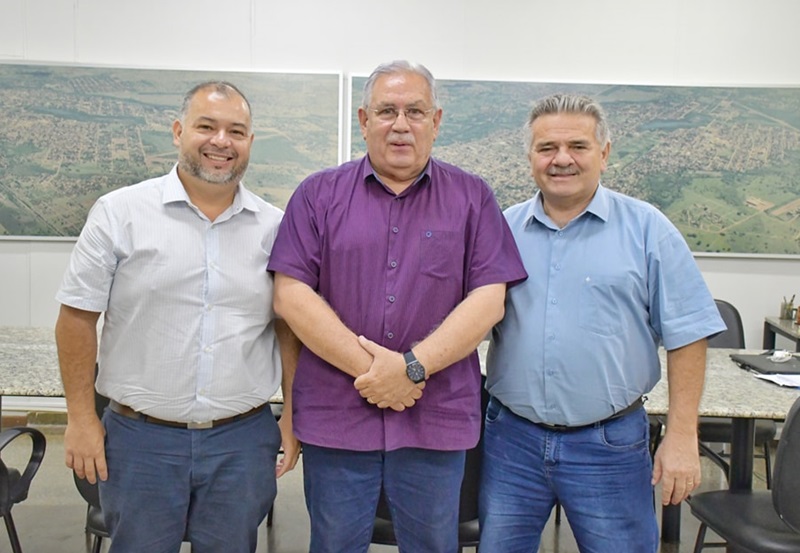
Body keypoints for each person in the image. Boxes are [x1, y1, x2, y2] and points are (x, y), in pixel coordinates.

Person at [268, 60, 527, 553]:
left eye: (415, 111)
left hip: (435, 418)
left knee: (432, 545)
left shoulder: (473, 198)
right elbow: (291, 297)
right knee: (334, 544)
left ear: (437, 120)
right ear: (364, 121)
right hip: (336, 416)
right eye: (387, 111)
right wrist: (378, 372)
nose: (401, 123)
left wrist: (411, 367)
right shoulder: (317, 195)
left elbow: (490, 299)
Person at [54, 81, 300, 553]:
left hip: (242, 442)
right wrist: (81, 417)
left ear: (250, 141)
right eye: (206, 126)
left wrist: (292, 412)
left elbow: (288, 326)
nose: (221, 142)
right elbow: (76, 318)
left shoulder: (276, 227)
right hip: (139, 442)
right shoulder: (119, 213)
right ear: (177, 131)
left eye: (236, 131)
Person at [479, 93, 727, 552]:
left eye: (578, 146)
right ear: (531, 157)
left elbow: (688, 334)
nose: (562, 160)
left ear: (605, 153)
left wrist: (681, 435)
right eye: (547, 148)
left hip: (608, 445)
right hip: (511, 441)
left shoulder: (648, 229)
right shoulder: (501, 231)